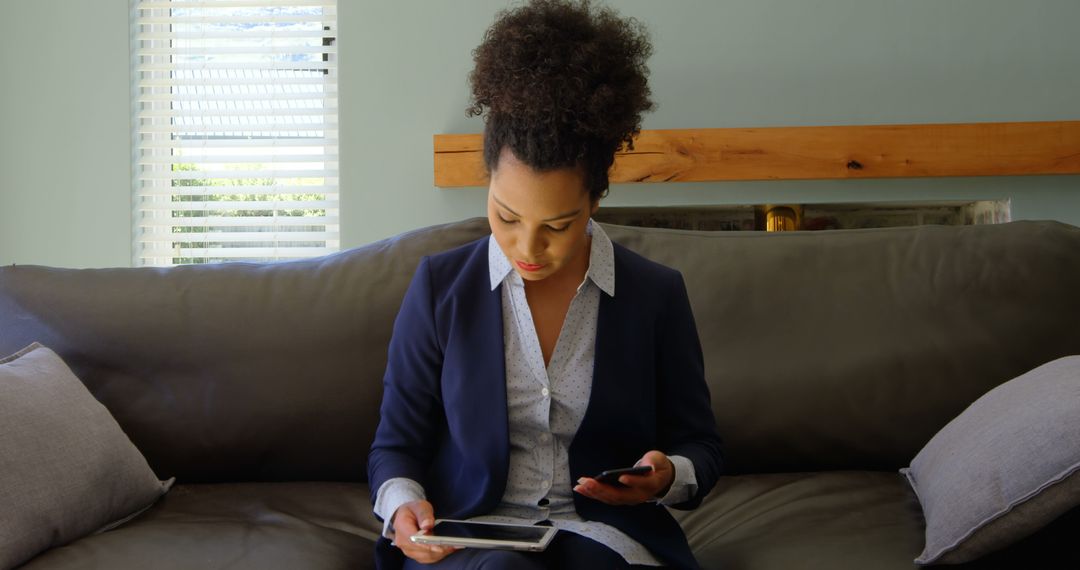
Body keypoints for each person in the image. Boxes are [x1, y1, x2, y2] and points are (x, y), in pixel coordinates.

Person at [368, 1, 724, 568]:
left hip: (602, 535)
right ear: (487, 182)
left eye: (557, 226)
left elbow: (700, 447)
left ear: (595, 201)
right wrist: (405, 508)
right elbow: (395, 447)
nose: (528, 249)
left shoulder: (655, 295)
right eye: (507, 217)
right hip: (473, 536)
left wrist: (665, 477)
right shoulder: (439, 289)